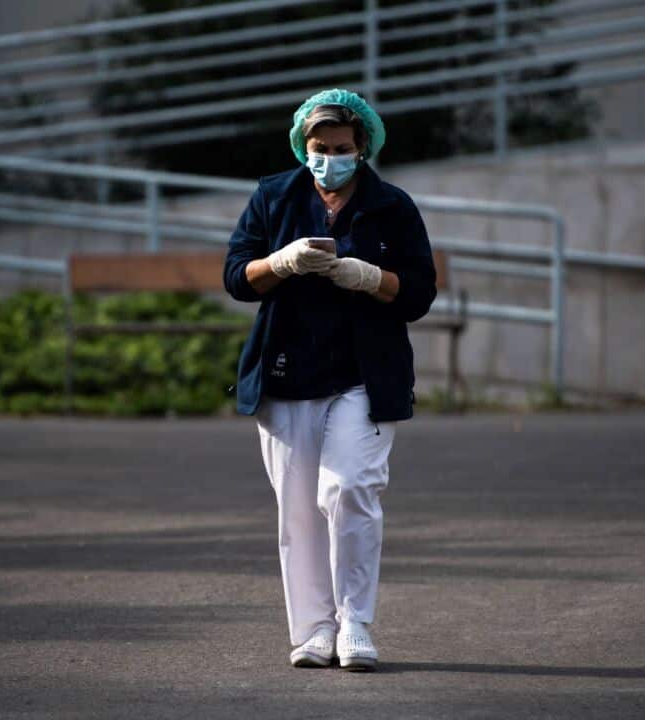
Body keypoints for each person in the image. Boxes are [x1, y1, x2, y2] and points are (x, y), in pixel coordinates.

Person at [222, 88, 438, 671]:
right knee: (296, 510)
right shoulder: (274, 195)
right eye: (319, 148)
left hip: (365, 376)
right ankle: (314, 630)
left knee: (348, 489)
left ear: (362, 147)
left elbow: (418, 294)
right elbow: (238, 278)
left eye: (342, 148)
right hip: (288, 371)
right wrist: (283, 261)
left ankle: (355, 624)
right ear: (303, 145)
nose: (329, 159)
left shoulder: (392, 206)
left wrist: (369, 277)